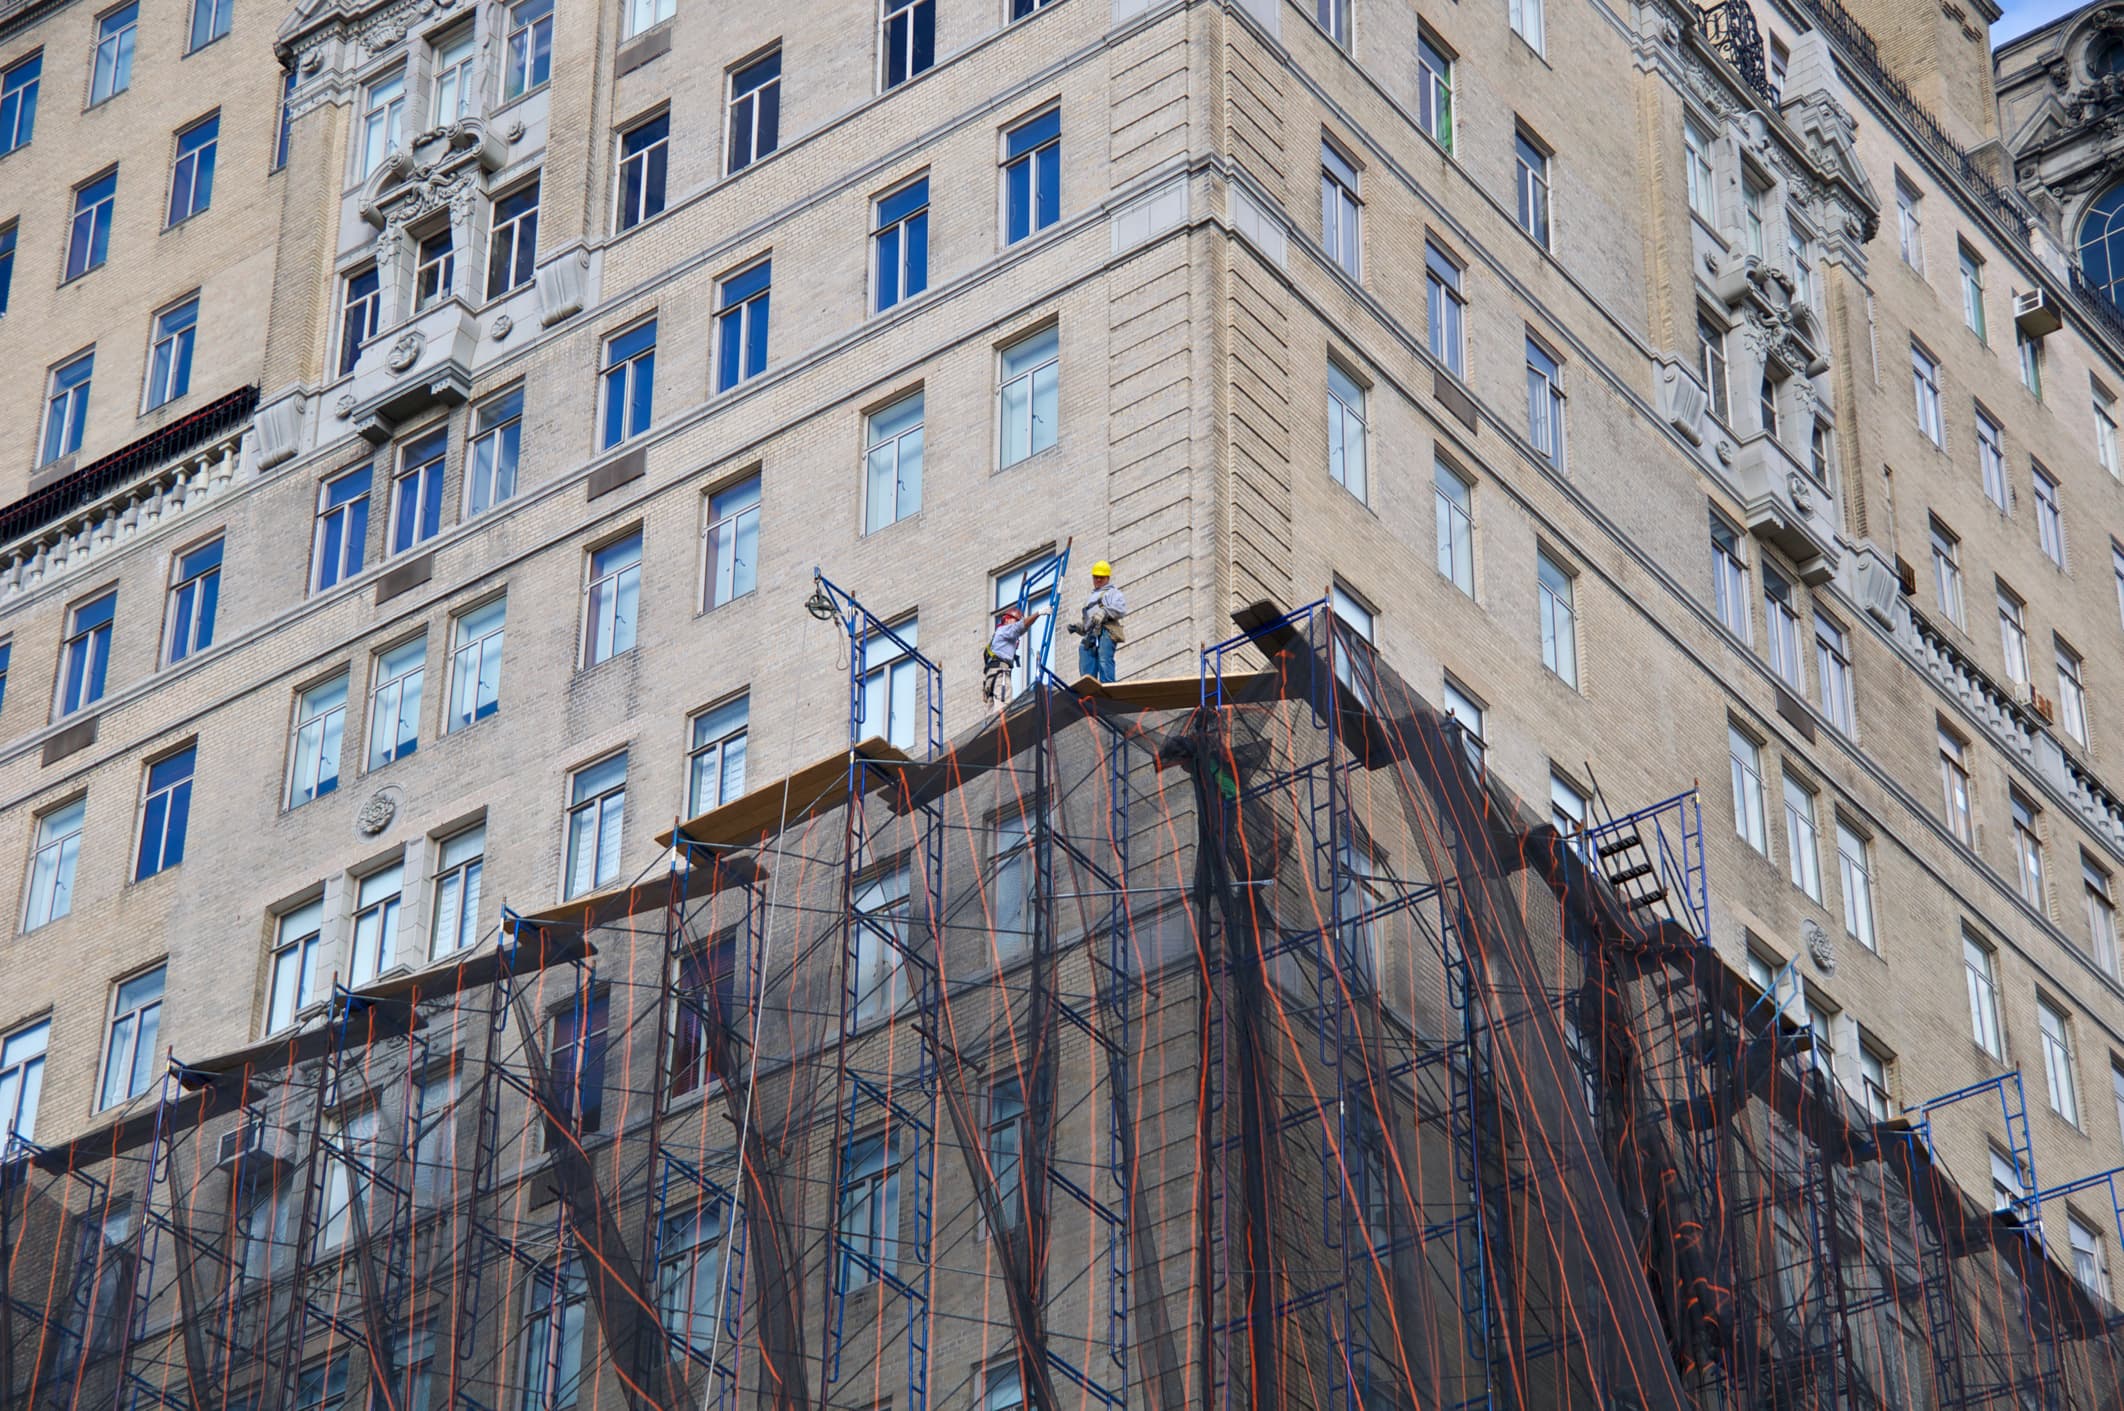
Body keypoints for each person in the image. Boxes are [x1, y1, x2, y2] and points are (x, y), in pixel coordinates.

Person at [1067, 560, 1126, 683]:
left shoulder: (1112, 593)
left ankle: (1107, 687)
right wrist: (1080, 628)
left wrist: (1104, 612)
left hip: (1106, 630)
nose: (1098, 580)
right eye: (1096, 577)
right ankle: (1089, 689)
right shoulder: (1089, 599)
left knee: (1104, 659)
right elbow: (1088, 623)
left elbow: (1120, 609)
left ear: (1107, 578)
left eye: (1101, 577)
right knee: (1085, 656)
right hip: (1091, 634)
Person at [983, 603, 1048, 712]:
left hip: (991, 676)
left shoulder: (999, 636)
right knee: (1002, 708)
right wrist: (1038, 613)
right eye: (1015, 621)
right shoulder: (1005, 629)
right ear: (1007, 620)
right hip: (1000, 674)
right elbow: (1020, 627)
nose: (1016, 624)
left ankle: (995, 728)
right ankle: (1002, 727)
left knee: (991, 713)